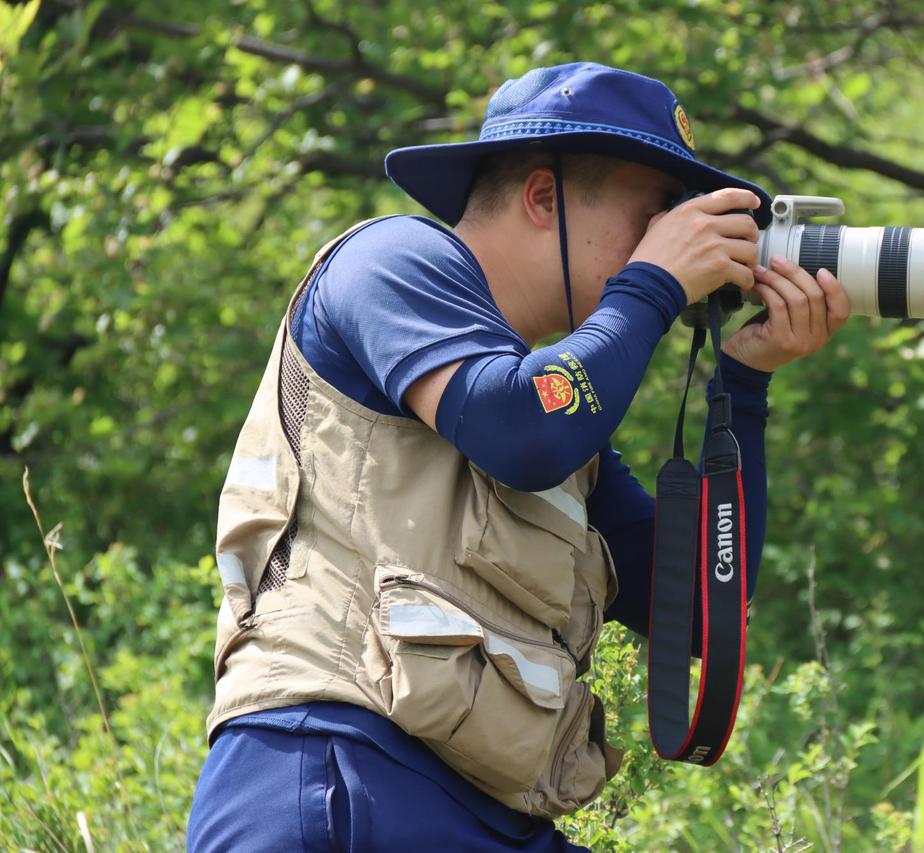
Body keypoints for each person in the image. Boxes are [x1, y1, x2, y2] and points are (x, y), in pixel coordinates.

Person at [186, 62, 850, 851]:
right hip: (333, 762)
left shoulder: (564, 429)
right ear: (542, 197)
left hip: (481, 803)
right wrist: (651, 285)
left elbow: (700, 604)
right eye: (655, 216)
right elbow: (521, 428)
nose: (680, 241)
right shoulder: (389, 259)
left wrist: (745, 383)